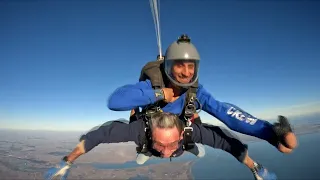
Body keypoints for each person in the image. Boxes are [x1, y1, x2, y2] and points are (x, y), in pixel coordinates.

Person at [107, 34, 297, 172]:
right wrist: (157, 93)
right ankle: (147, 149)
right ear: (168, 67)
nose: (186, 72)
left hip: (180, 132)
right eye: (180, 65)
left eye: (191, 66)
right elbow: (116, 100)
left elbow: (226, 113)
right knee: (141, 130)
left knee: (197, 132)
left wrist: (270, 133)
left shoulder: (197, 94)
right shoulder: (151, 85)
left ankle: (189, 144)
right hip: (153, 133)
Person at [44, 112, 278, 180]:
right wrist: (67, 161)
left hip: (185, 144)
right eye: (160, 143)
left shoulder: (190, 131)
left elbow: (228, 142)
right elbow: (101, 134)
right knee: (144, 155)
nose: (165, 151)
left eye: (171, 143)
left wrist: (255, 167)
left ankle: (189, 148)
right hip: (148, 146)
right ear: (149, 133)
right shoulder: (138, 131)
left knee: (197, 148)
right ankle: (147, 151)